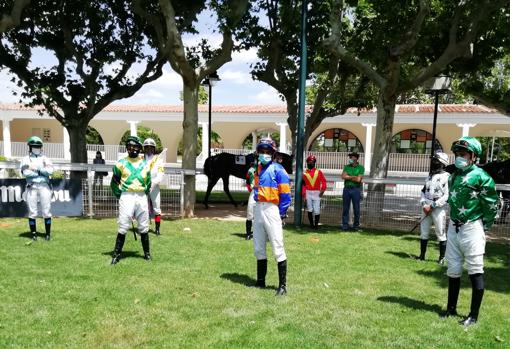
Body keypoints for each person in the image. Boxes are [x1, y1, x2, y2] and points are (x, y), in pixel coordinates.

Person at [441, 136, 498, 328]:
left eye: (463, 154)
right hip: (454, 227)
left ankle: (473, 315)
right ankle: (451, 308)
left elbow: (491, 206)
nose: (459, 157)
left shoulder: (483, 177)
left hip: (472, 227)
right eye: (457, 154)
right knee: (453, 268)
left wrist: (485, 226)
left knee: (475, 269)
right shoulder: (454, 176)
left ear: (473, 156)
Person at [253, 137, 291, 296]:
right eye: (261, 151)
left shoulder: (279, 170)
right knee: (259, 247)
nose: (264, 154)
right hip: (258, 208)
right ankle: (260, 282)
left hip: (272, 210)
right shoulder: (258, 169)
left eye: (267, 151)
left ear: (273, 153)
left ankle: (282, 286)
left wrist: (281, 214)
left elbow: (286, 195)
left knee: (277, 245)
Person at [110, 136, 152, 265]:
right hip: (126, 195)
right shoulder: (120, 164)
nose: (132, 149)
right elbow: (114, 183)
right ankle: (116, 255)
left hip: (141, 196)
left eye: (134, 147)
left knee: (144, 225)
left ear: (139, 148)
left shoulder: (145, 164)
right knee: (123, 224)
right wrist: (121, 196)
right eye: (129, 147)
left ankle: (147, 254)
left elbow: (148, 183)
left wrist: (143, 194)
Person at [417, 152, 450, 263]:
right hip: (425, 208)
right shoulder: (429, 176)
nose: (433, 162)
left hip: (438, 210)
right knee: (424, 232)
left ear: (442, 163)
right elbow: (423, 191)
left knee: (440, 233)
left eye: (435, 160)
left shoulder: (447, 177)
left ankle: (441, 258)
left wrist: (433, 205)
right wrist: (424, 204)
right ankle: (422, 256)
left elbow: (447, 195)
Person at [20, 136, 54, 241]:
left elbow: (50, 171)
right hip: (32, 186)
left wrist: (36, 169)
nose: (36, 148)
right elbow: (25, 172)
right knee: (32, 211)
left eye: (38, 146)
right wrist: (42, 170)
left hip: (44, 185)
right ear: (30, 147)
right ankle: (33, 234)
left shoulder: (45, 158)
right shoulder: (25, 159)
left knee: (46, 210)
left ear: (41, 147)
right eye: (34, 146)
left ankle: (47, 234)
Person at [143, 138, 164, 235]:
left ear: (154, 149)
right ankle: (144, 227)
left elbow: (160, 174)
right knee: (142, 208)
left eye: (151, 148)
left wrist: (153, 183)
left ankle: (157, 228)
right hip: (142, 186)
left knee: (156, 208)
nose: (148, 149)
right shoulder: (140, 159)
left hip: (154, 187)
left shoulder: (158, 160)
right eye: (146, 147)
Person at [302, 154, 327, 229]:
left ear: (314, 162)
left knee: (317, 210)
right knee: (309, 209)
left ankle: (316, 226)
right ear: (307, 162)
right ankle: (311, 225)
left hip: (317, 192)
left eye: (312, 162)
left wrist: (322, 190)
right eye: (309, 161)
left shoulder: (319, 172)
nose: (311, 163)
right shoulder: (304, 173)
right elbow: (303, 185)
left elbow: (324, 182)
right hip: (308, 192)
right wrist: (304, 194)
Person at [341, 152, 364, 231]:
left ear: (356, 158)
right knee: (345, 208)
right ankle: (345, 225)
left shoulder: (361, 168)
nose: (350, 159)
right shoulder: (346, 167)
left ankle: (356, 225)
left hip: (356, 190)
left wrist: (348, 177)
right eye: (350, 157)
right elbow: (343, 176)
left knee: (356, 209)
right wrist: (353, 177)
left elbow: (358, 180)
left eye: (352, 157)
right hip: (346, 189)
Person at [245, 161, 257, 240]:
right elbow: (247, 181)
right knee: (250, 213)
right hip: (254, 192)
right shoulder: (251, 170)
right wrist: (250, 189)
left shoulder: (267, 169)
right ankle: (248, 233)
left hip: (265, 192)